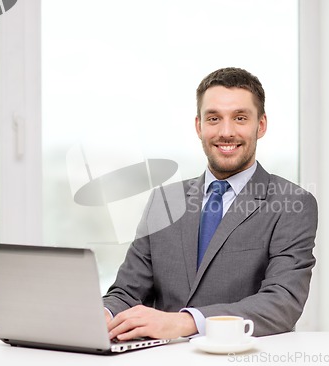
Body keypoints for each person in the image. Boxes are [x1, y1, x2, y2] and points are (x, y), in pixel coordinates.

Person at [102, 67, 317, 341]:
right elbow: (127, 292)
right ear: (198, 126)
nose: (226, 132)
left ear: (260, 125)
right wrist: (103, 314)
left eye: (240, 118)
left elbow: (281, 303)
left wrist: (186, 322)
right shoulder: (164, 201)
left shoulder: (292, 204)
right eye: (214, 118)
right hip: (162, 358)